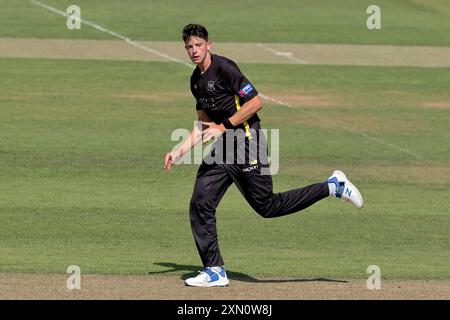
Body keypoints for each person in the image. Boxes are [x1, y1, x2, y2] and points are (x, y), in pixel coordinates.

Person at [164, 24, 363, 287]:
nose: (193, 50)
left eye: (198, 45)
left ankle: (332, 187)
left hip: (247, 142)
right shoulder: (195, 81)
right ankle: (214, 270)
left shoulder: (225, 69)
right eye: (189, 46)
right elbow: (202, 124)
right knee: (201, 200)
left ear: (209, 45)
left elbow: (256, 102)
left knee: (267, 207)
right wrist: (179, 150)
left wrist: (224, 126)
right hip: (224, 149)